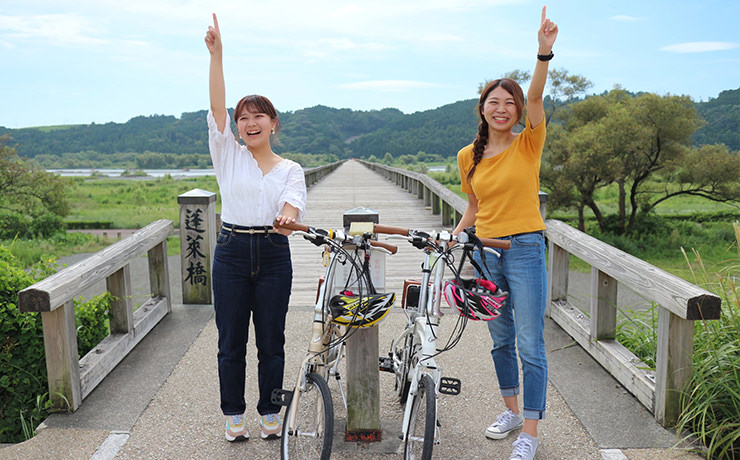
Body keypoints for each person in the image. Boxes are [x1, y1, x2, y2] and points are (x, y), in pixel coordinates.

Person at [451, 6, 558, 460]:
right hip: (484, 252)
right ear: (482, 109)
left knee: (531, 341)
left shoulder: (528, 142)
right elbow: (475, 206)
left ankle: (530, 432)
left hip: (526, 247)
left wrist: (543, 54)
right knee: (499, 338)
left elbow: (536, 98)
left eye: (508, 102)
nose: (502, 108)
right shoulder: (466, 156)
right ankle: (511, 411)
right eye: (493, 102)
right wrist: (455, 236)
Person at [204, 13, 307, 442]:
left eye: (259, 116)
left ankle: (270, 411)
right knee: (231, 342)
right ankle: (233, 414)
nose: (250, 122)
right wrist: (217, 56)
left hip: (271, 254)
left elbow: (292, 207)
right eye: (244, 117)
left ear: (273, 123)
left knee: (271, 340)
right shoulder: (228, 153)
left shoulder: (291, 168)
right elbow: (215, 105)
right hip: (230, 251)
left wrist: (287, 218)